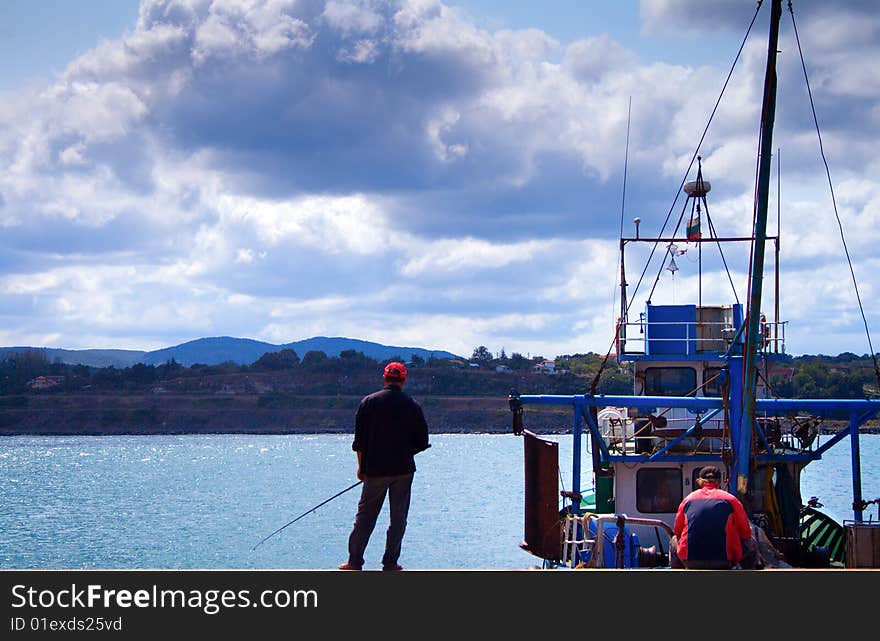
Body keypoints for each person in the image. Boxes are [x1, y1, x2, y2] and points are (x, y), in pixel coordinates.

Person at [338, 362, 430, 571]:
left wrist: (361, 468)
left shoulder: (368, 402)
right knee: (398, 517)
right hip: (404, 470)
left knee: (365, 516)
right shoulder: (412, 405)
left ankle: (354, 562)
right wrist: (405, 451)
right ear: (403, 380)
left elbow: (359, 443)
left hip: (374, 470)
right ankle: (390, 562)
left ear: (384, 378)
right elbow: (422, 441)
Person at [669, 465, 753, 569]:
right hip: (723, 561)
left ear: (700, 481)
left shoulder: (688, 500)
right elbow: (746, 533)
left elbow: (677, 531)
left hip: (690, 561)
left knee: (674, 539)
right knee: (751, 541)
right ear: (718, 481)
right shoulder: (731, 500)